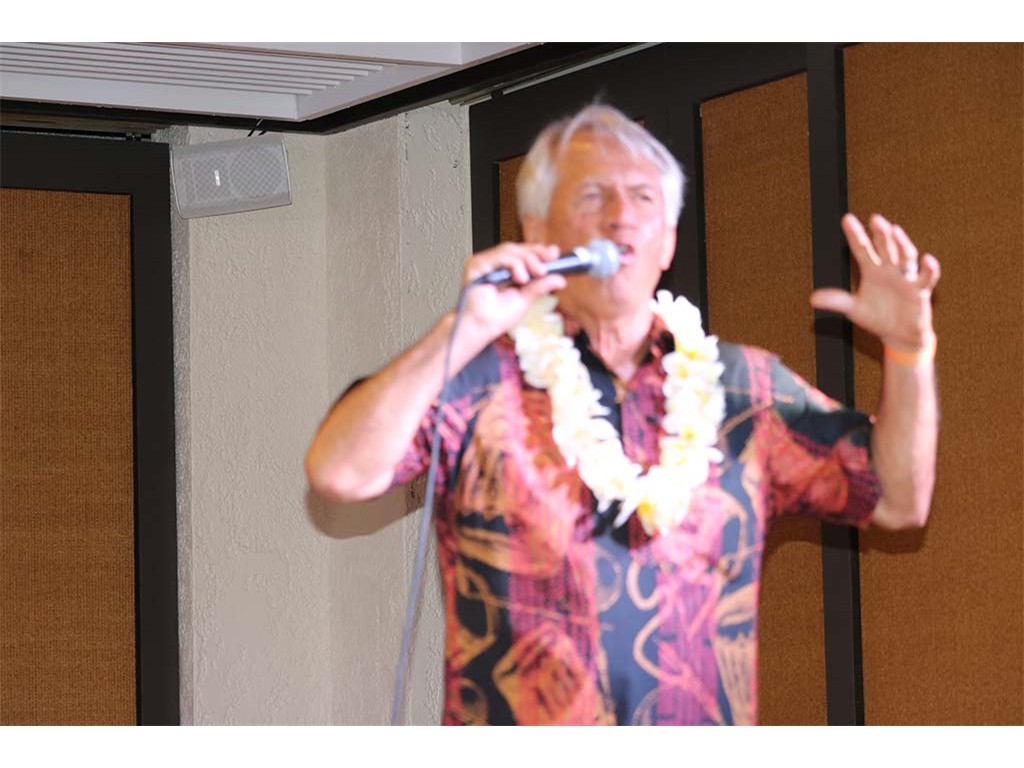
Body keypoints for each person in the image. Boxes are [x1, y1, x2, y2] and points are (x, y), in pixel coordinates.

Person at [305, 105, 939, 725]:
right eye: (592, 195)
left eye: (643, 198)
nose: (621, 216)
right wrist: (460, 331)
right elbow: (340, 474)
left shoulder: (744, 388)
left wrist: (910, 351)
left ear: (668, 240)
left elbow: (898, 500)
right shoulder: (475, 379)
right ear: (537, 233)